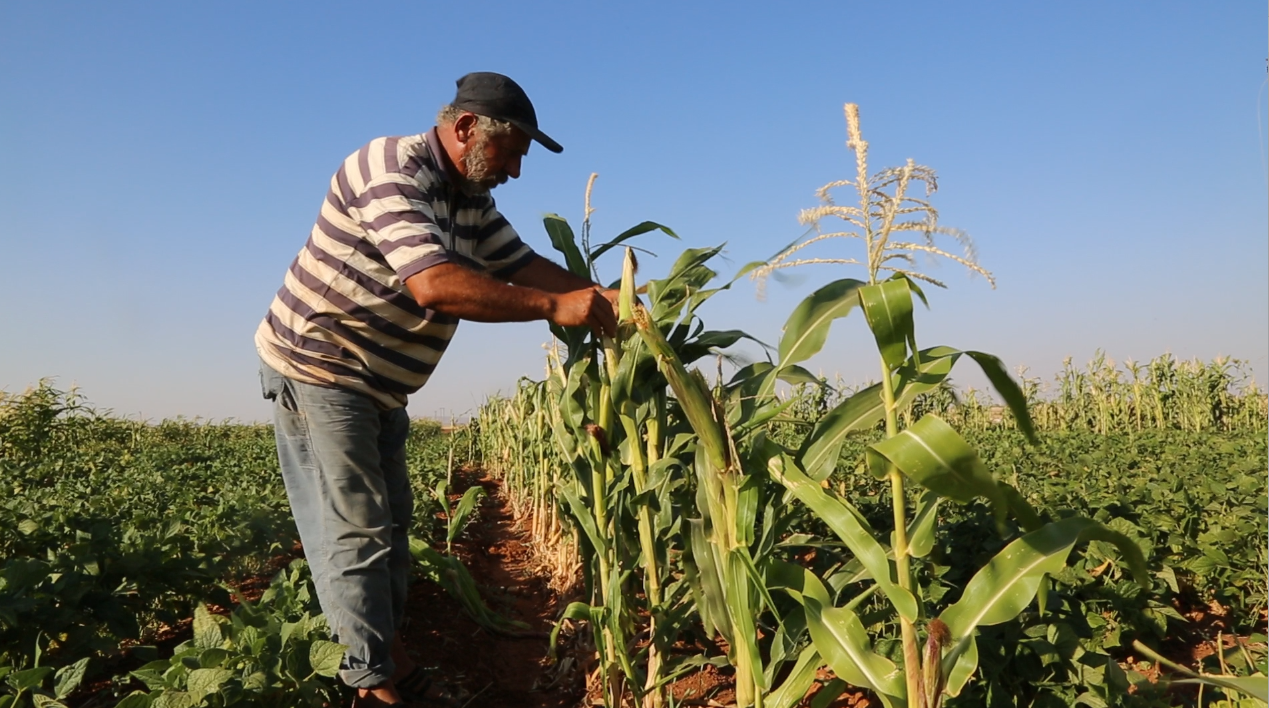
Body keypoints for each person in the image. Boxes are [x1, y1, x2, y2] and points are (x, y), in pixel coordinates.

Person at [254, 72, 616, 707]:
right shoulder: (387, 169)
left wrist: (605, 300)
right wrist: (555, 305)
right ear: (469, 129)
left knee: (392, 529)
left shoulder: (468, 198)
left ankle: (387, 657)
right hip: (321, 368)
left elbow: (517, 261)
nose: (516, 170)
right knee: (356, 531)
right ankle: (369, 683)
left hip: (380, 385)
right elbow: (434, 284)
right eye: (514, 151)